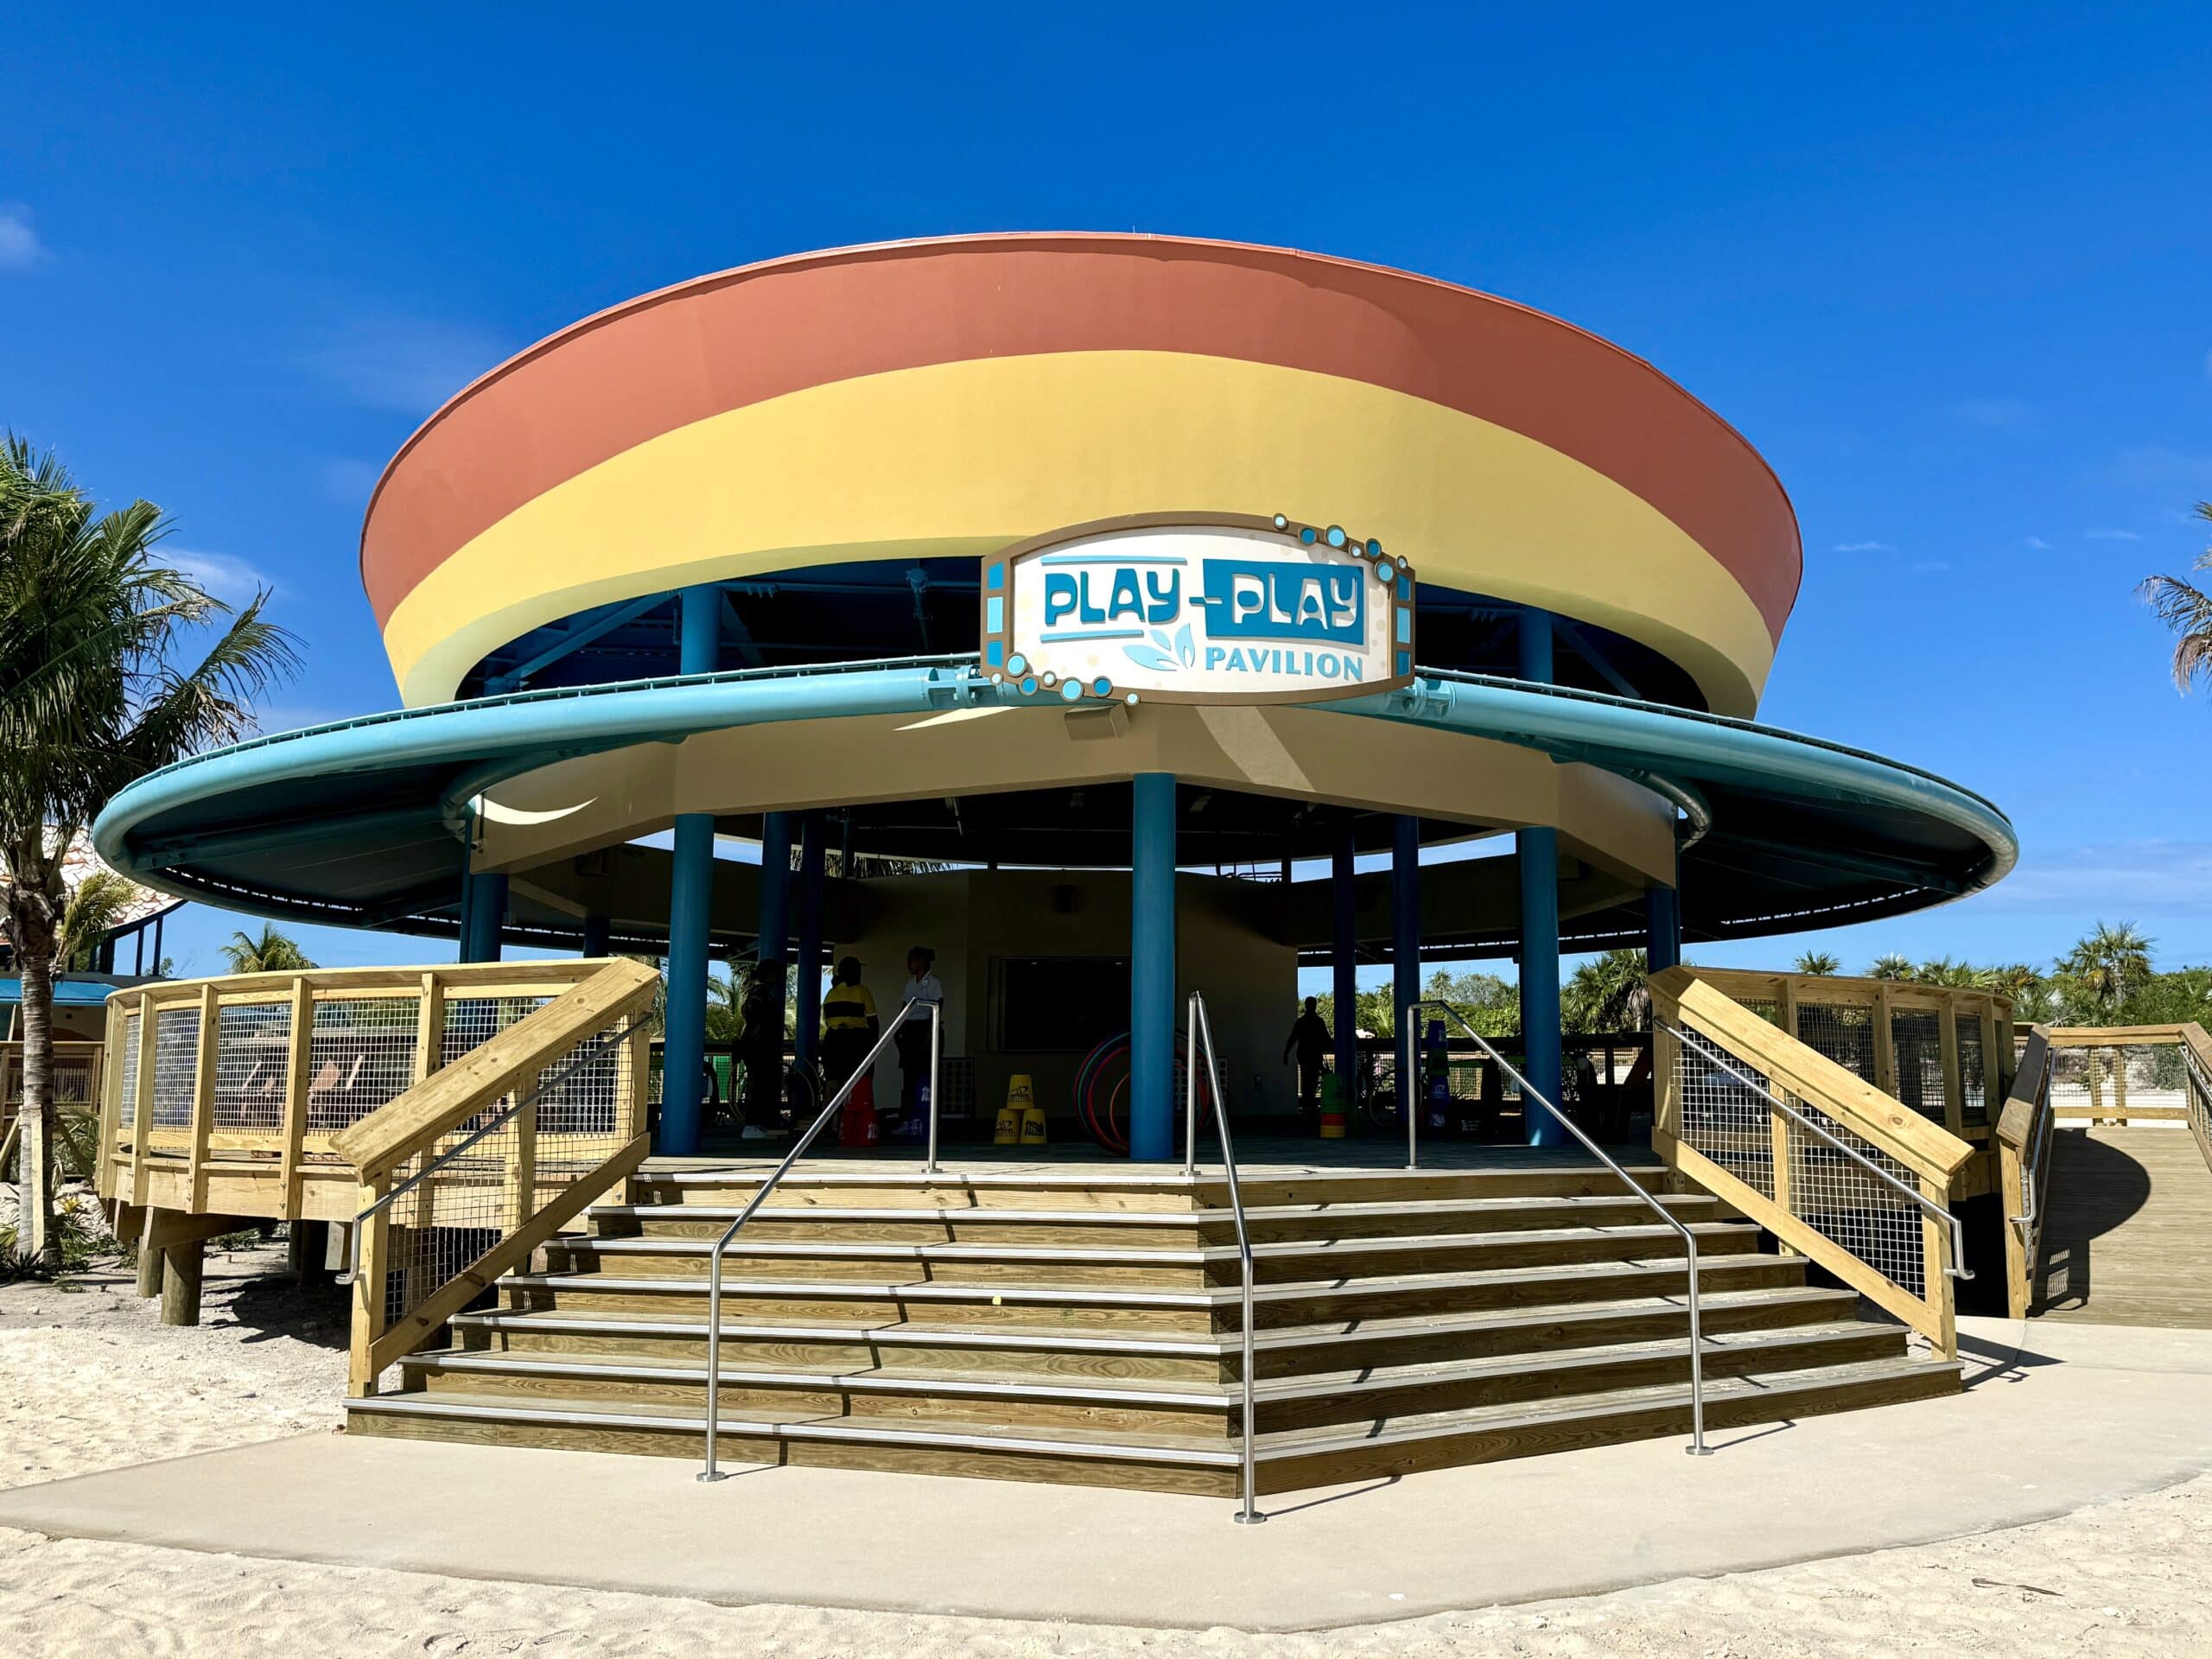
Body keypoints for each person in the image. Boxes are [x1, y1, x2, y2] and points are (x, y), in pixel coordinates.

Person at [893, 945, 944, 1135]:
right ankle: (906, 1119)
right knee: (909, 1077)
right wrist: (898, 1029)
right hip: (910, 1028)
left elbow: (939, 1004)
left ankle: (932, 1121)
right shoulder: (910, 984)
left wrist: (932, 1031)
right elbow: (905, 1006)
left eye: (911, 960)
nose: (909, 964)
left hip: (926, 1026)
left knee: (929, 1076)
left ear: (921, 961)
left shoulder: (933, 982)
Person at [735, 959, 786, 1138]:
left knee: (762, 1084)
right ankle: (752, 1123)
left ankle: (760, 1122)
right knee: (758, 1084)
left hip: (757, 1045)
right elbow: (756, 1017)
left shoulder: (758, 993)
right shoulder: (760, 994)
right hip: (758, 1046)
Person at [820, 956, 879, 1093]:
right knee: (858, 1085)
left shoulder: (830, 994)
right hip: (856, 1041)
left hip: (832, 1041)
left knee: (833, 1086)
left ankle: (828, 1114)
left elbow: (827, 1022)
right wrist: (874, 1046)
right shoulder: (862, 991)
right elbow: (873, 1022)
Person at [1283, 995, 1331, 1131]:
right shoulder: (1318, 1022)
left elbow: (1292, 1038)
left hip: (1304, 1056)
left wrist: (1286, 1053)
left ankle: (1306, 1107)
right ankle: (1310, 1106)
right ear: (1315, 1006)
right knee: (1313, 1081)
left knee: (1305, 1081)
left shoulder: (1301, 1022)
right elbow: (1327, 1039)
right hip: (1315, 1056)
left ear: (1305, 1005)